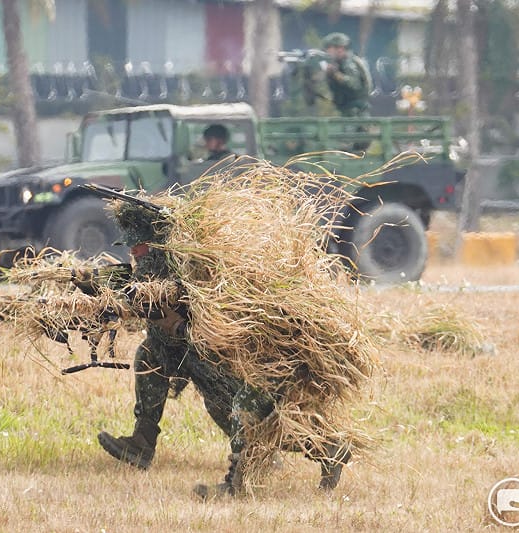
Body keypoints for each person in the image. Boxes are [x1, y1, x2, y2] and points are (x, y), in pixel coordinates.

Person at [96, 200, 351, 499]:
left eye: (139, 248)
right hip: (216, 363)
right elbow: (127, 292)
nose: (133, 254)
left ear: (157, 247)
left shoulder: (204, 274)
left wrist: (176, 325)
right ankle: (142, 442)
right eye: (131, 249)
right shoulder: (158, 274)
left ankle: (312, 454)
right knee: (152, 354)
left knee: (245, 412)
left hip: (264, 360)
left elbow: (221, 333)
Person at [322, 32, 372, 117]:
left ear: (340, 49)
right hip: (347, 110)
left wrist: (336, 74)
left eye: (329, 49)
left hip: (355, 113)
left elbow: (355, 85)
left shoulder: (349, 63)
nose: (327, 52)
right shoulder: (340, 63)